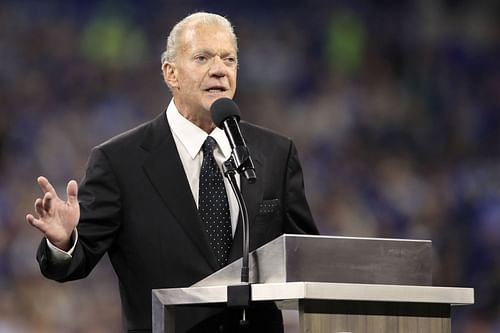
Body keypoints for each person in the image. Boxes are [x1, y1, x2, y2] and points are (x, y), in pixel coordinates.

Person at [26, 12, 319, 333]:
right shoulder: (119, 161)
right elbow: (75, 262)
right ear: (171, 73)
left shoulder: (275, 153)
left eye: (229, 59)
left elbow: (308, 257)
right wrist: (63, 241)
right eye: (203, 57)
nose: (219, 69)